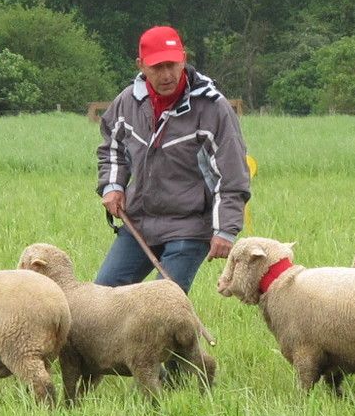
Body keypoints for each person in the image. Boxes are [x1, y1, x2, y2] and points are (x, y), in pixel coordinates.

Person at [94, 24, 250, 293]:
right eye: (157, 67)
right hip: (138, 221)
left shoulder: (213, 108)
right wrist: (113, 186)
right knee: (102, 296)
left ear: (184, 60)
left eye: (172, 65)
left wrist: (225, 230)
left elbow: (232, 174)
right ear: (141, 65)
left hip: (189, 227)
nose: (167, 75)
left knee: (162, 306)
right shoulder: (127, 102)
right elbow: (112, 148)